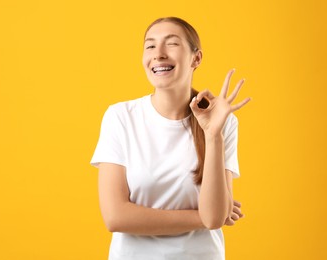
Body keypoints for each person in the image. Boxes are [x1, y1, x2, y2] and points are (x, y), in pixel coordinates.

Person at [90, 16, 251, 260]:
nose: (159, 53)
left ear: (196, 58)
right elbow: (115, 216)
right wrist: (204, 217)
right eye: (150, 45)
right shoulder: (120, 117)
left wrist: (213, 135)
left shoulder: (222, 121)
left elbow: (215, 217)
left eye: (172, 43)